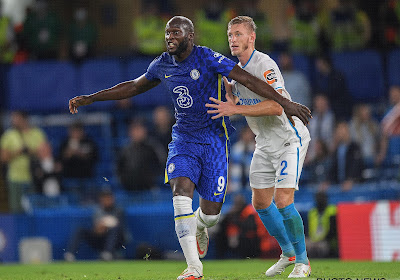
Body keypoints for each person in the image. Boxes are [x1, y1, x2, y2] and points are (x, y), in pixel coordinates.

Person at [68, 16, 311, 280]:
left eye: (175, 33)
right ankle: (196, 267)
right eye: (167, 33)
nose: (169, 37)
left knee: (216, 215)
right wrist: (91, 98)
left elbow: (256, 87)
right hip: (186, 139)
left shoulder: (222, 61)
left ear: (190, 36)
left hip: (240, 141)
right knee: (189, 195)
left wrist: (282, 105)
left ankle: (291, 256)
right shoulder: (163, 64)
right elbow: (134, 86)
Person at [206, 16, 311, 277]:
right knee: (261, 203)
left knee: (283, 201)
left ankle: (303, 261)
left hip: (289, 138)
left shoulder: (264, 64)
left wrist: (235, 108)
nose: (233, 39)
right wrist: (230, 94)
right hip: (264, 143)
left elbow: (277, 106)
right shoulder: (235, 71)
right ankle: (287, 252)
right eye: (230, 35)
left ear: (252, 37)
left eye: (239, 34)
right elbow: (237, 99)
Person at [0, 111, 49, 213]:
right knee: (16, 209)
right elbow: (3, 158)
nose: (13, 121)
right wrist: (18, 152)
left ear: (24, 119)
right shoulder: (9, 135)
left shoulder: (37, 133)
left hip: (33, 177)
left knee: (33, 209)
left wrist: (30, 151)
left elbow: (45, 152)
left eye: (16, 118)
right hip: (15, 178)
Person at [64, 188, 125, 261]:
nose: (106, 200)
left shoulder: (118, 210)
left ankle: (107, 254)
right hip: (100, 237)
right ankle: (70, 254)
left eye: (108, 198)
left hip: (116, 240)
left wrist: (105, 225)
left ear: (112, 198)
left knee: (114, 230)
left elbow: (117, 225)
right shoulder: (97, 211)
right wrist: (100, 228)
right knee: (80, 230)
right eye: (104, 198)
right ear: (101, 199)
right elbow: (97, 228)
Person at [117, 119, 164, 191]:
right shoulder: (125, 150)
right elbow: (119, 168)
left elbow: (162, 163)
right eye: (134, 130)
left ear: (144, 131)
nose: (137, 133)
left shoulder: (153, 147)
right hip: (130, 189)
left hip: (150, 188)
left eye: (139, 130)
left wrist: (153, 179)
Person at [320, 121, 364, 192]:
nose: (340, 132)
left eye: (342, 129)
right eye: (338, 130)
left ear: (347, 130)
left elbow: (356, 166)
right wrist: (327, 181)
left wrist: (351, 180)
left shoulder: (355, 147)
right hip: (339, 186)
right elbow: (332, 168)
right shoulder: (336, 150)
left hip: (354, 186)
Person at [306, 191, 338, 258]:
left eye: (322, 198)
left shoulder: (332, 210)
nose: (320, 200)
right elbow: (307, 228)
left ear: (326, 199)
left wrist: (324, 239)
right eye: (318, 198)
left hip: (326, 240)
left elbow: (333, 229)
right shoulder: (312, 211)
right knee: (304, 245)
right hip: (313, 239)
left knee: (322, 247)